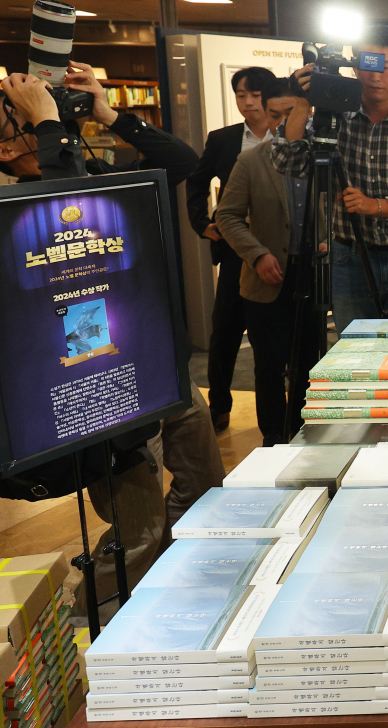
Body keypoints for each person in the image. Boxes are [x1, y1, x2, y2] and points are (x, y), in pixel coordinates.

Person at [0, 63, 224, 620]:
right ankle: (72, 626)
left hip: (153, 362)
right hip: (91, 382)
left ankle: (171, 584)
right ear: (7, 151)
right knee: (138, 530)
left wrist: (106, 113)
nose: (55, 124)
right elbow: (61, 207)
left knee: (205, 483)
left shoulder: (91, 171)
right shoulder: (12, 206)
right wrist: (50, 125)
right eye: (29, 121)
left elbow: (182, 163)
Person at [274, 26, 388, 335]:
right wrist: (303, 102)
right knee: (354, 355)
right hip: (349, 258)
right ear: (355, 68)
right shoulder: (334, 121)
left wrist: (374, 206)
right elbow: (288, 161)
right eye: (368, 64)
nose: (376, 75)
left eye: (385, 65)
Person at [216, 79, 318, 446]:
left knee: (311, 364)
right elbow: (226, 216)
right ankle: (273, 438)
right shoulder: (251, 160)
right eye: (274, 115)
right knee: (269, 367)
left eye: (290, 114)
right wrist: (257, 254)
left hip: (314, 277)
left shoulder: (321, 159)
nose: (281, 123)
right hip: (266, 280)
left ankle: (308, 434)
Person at [186, 66, 276, 433]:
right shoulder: (223, 139)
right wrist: (201, 223)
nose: (248, 102)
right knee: (224, 332)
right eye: (241, 95)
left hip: (277, 249)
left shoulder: (288, 135)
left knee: (270, 339)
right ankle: (220, 405)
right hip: (236, 249)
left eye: (255, 95)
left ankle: (277, 416)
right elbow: (196, 179)